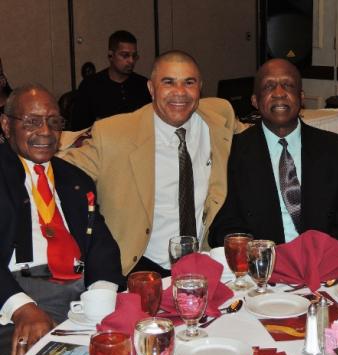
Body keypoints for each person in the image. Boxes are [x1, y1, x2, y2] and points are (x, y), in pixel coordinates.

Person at [59, 50, 243, 277]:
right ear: (151, 89)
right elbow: (62, 170)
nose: (180, 93)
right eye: (168, 82)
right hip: (141, 265)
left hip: (203, 262)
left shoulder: (219, 117)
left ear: (200, 87)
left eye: (189, 82)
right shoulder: (114, 134)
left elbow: (258, 140)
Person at [0, 84, 124, 355]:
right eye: (32, 122)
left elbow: (101, 244)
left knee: (136, 343)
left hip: (80, 293)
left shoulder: (75, 179)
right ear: (6, 125)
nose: (45, 132)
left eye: (54, 122)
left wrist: (102, 296)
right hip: (16, 295)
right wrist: (21, 308)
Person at [208, 58, 338, 247]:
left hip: (322, 262)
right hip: (260, 265)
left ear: (301, 97)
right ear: (255, 101)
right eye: (268, 86)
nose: (279, 93)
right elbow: (225, 226)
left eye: (288, 85)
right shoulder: (232, 153)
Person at [70, 30, 151, 131]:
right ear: (110, 55)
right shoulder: (90, 86)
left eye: (134, 56)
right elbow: (79, 128)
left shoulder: (143, 85)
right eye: (125, 55)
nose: (131, 61)